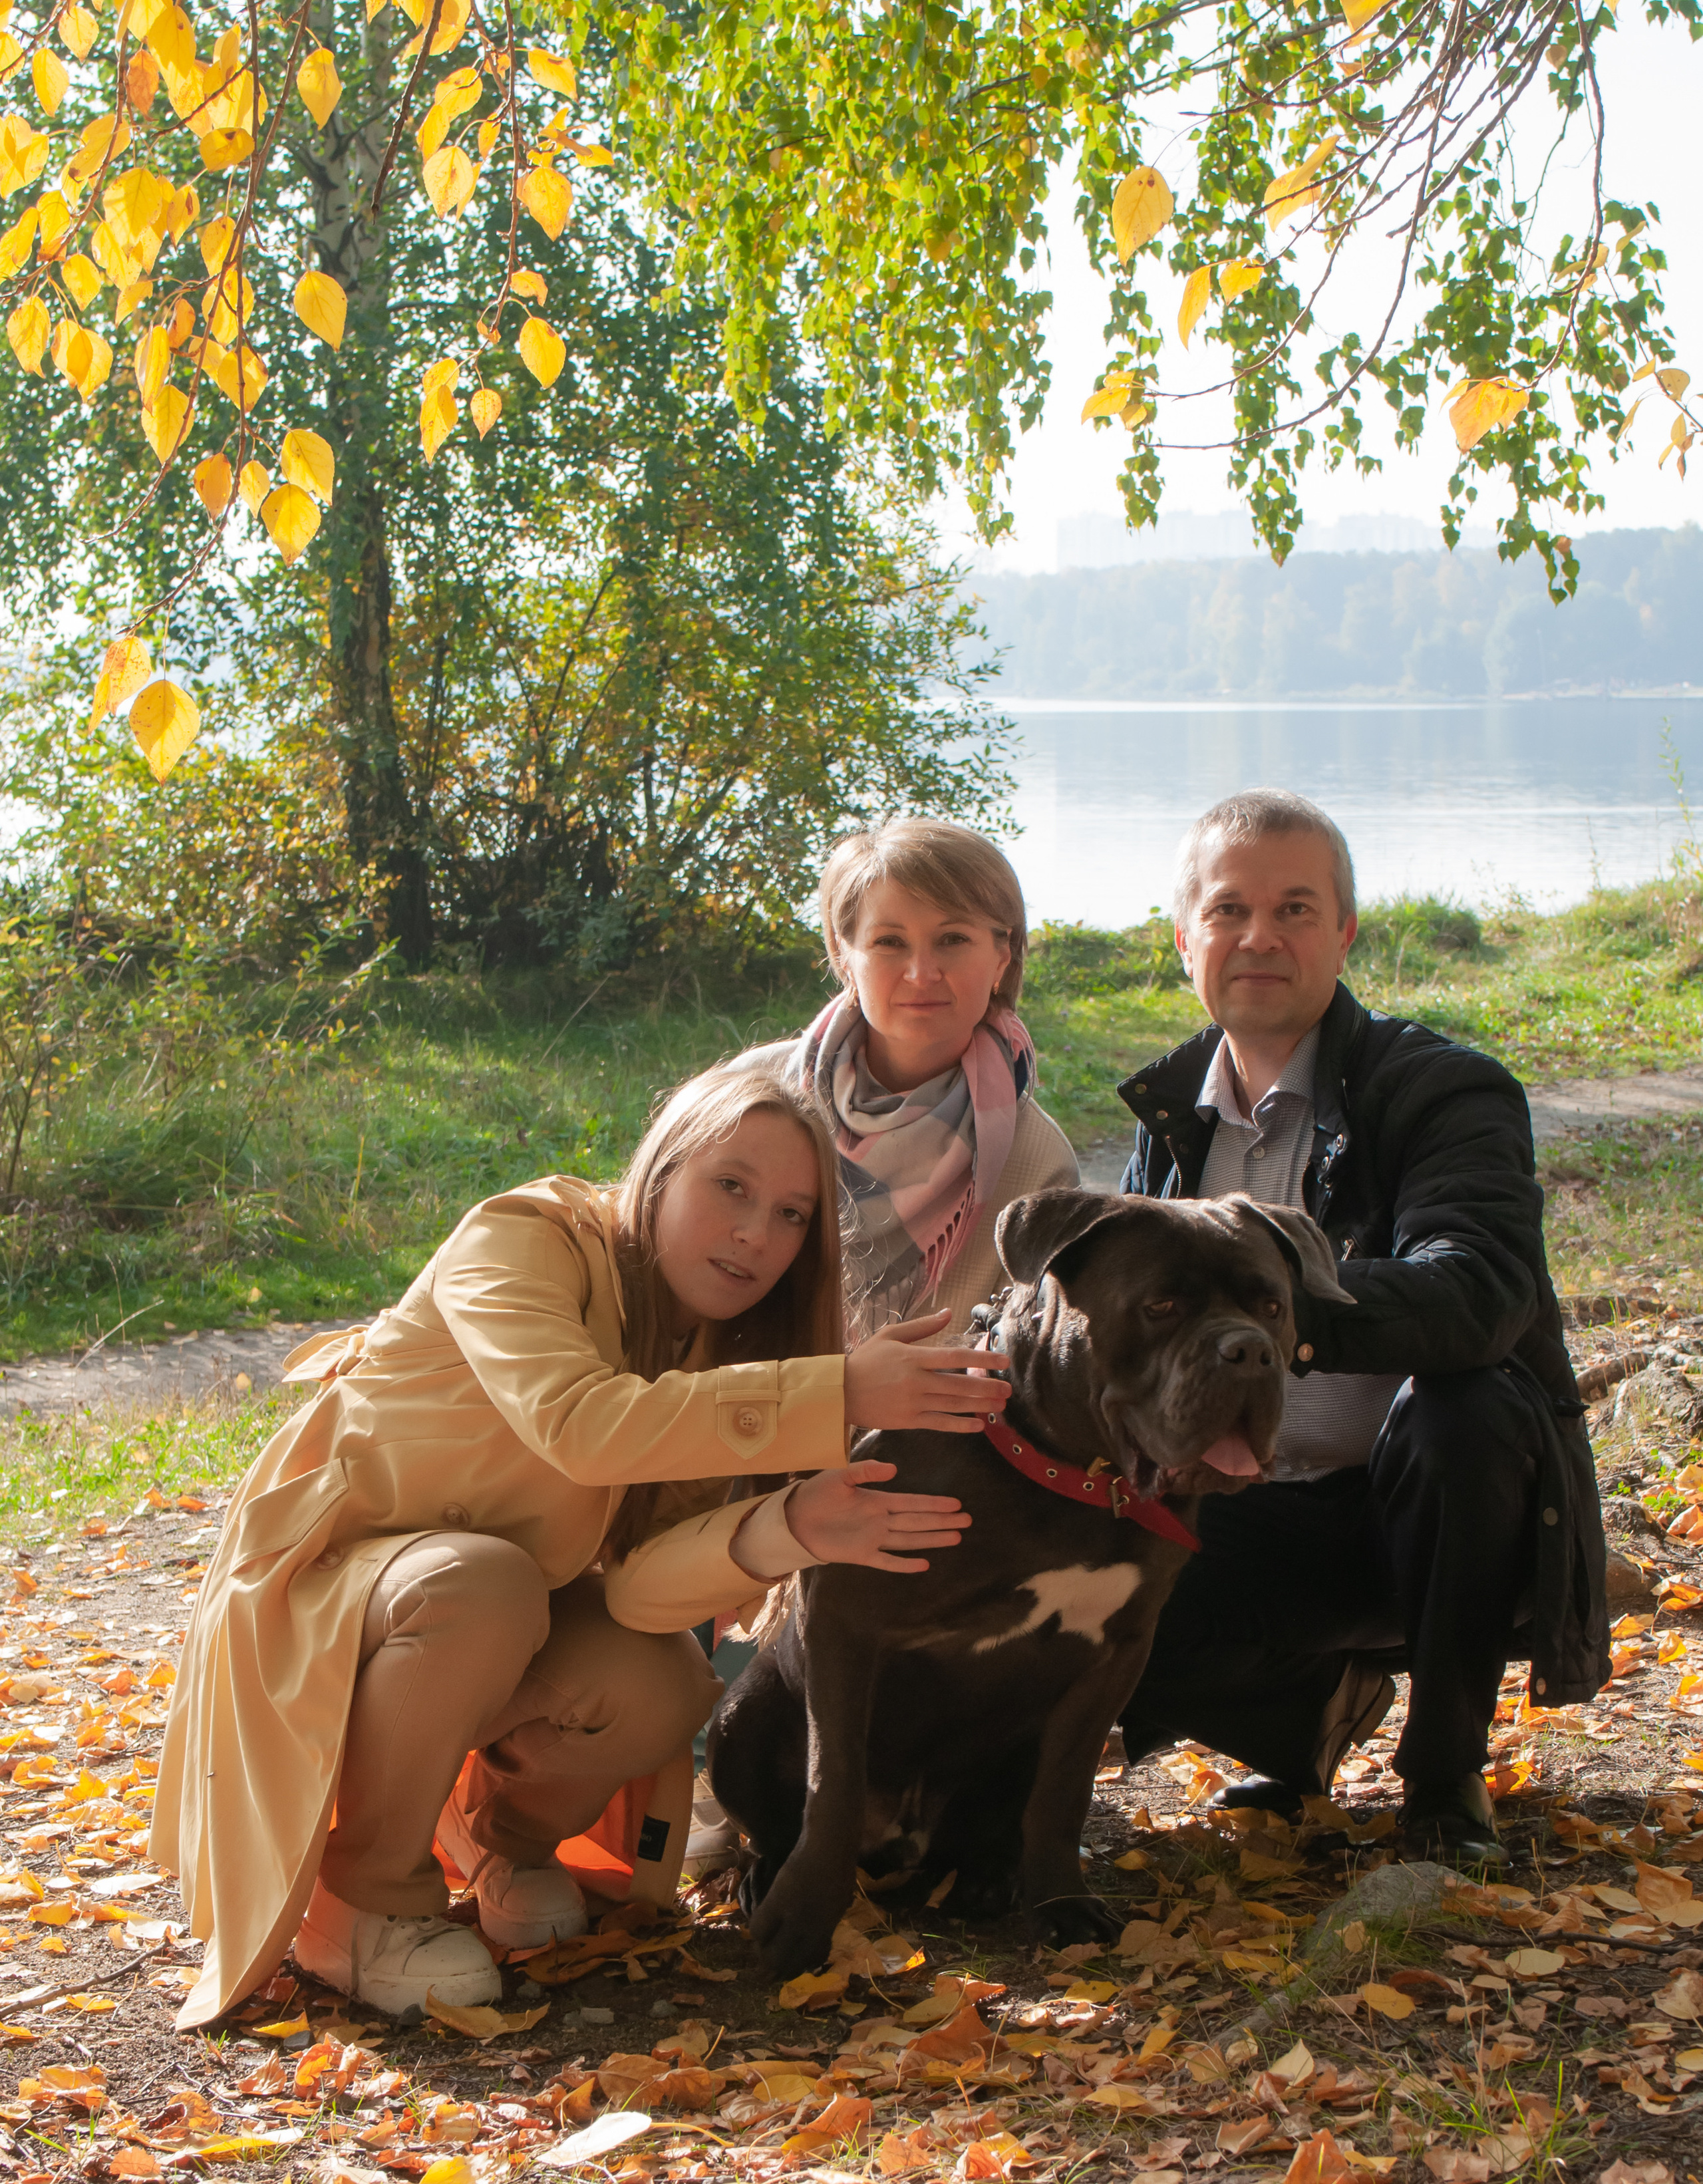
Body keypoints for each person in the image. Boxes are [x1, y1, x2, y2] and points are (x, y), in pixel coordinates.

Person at [151, 1064, 1008, 2028]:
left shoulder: (709, 1343)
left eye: (792, 1214)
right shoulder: (522, 1236)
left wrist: (793, 1523)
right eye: (731, 1186)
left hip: (481, 1612)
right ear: (664, 1164)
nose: (756, 1235)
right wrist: (837, 1392)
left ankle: (498, 1840)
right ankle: (363, 1895)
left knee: (664, 1681)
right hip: (325, 1591)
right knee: (484, 1582)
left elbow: (644, 1589)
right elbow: (579, 1423)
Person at [1112, 788, 1609, 1865]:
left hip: (1435, 1514)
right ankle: (1307, 1712)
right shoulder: (1166, 1116)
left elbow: (1481, 1289)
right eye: (1230, 909)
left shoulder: (1442, 1088)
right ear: (1185, 933)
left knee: (1461, 1412)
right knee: (1104, 1611)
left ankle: (1443, 1776)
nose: (1260, 936)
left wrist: (1268, 1311)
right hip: (1251, 1500)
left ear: (1344, 932)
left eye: (1296, 909)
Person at [754, 817, 1078, 1337]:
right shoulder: (748, 1093)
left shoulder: (1037, 1161)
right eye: (889, 942)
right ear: (843, 956)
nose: (921, 973)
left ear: (1002, 956)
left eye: (952, 938)